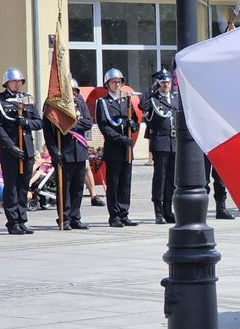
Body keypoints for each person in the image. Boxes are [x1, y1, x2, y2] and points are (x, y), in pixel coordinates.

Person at [0, 67, 43, 234]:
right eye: (14, 81)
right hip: (9, 149)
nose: (17, 84)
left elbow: (38, 123)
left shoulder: (27, 99)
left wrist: (26, 123)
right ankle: (12, 222)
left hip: (26, 149)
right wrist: (10, 146)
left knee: (23, 186)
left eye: (20, 81)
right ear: (7, 83)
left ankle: (22, 219)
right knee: (11, 186)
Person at [43, 78, 94, 230]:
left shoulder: (80, 103)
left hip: (79, 151)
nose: (73, 94)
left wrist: (69, 123)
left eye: (75, 91)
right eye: (70, 91)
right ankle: (64, 218)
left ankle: (75, 217)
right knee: (65, 188)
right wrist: (54, 152)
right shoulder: (54, 107)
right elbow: (48, 132)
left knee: (78, 187)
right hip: (63, 151)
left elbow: (88, 123)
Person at [95, 68, 139, 227]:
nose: (117, 84)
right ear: (107, 84)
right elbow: (104, 127)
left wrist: (132, 125)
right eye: (114, 81)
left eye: (119, 81)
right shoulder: (103, 103)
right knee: (113, 184)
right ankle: (114, 216)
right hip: (114, 148)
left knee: (125, 183)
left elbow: (135, 122)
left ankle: (124, 213)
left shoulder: (126, 101)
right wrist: (122, 139)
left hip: (127, 150)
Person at [141, 71, 177, 224]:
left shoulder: (175, 99)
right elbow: (142, 105)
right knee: (160, 177)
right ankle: (159, 211)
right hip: (160, 142)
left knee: (171, 178)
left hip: (174, 143)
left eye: (168, 82)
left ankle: (169, 211)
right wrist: (151, 90)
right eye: (163, 82)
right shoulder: (154, 99)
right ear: (158, 84)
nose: (166, 85)